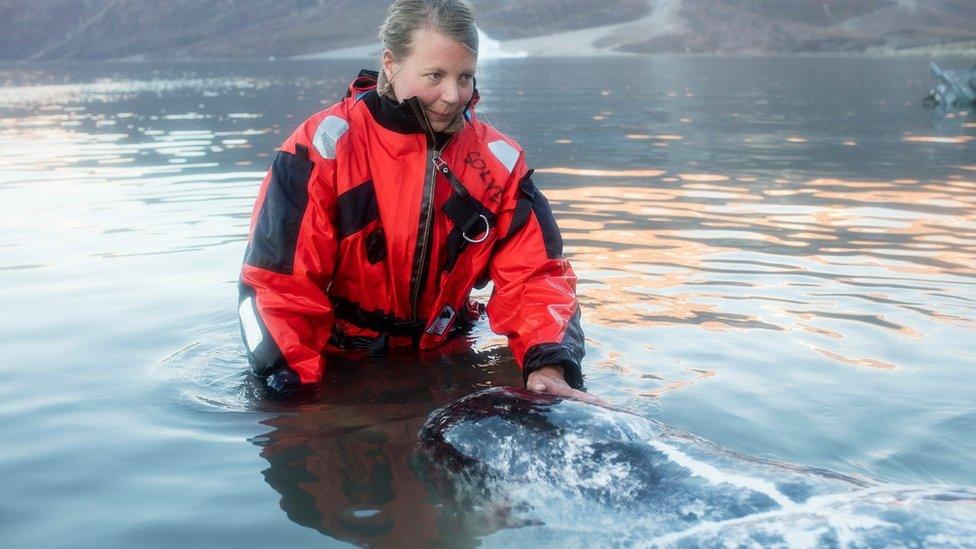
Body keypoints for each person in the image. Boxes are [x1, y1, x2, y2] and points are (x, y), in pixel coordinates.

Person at [238, 0, 598, 403]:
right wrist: (296, 398)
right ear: (390, 65)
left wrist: (548, 364)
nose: (452, 95)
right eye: (435, 75)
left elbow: (536, 277)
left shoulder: (498, 163)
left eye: (465, 77)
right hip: (340, 367)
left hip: (449, 354)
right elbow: (277, 288)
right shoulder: (322, 149)